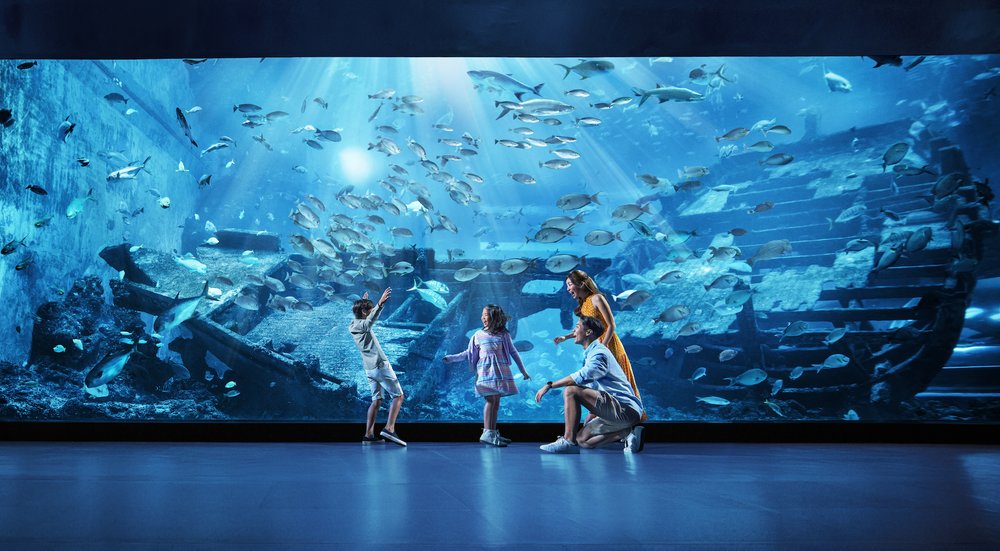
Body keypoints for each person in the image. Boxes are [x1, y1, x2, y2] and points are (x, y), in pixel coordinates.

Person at [536, 315, 645, 454]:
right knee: (582, 440)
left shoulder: (599, 353)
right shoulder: (592, 353)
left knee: (571, 390)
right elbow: (596, 388)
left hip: (625, 409)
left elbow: (585, 375)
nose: (574, 332)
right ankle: (627, 433)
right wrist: (592, 414)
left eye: (577, 327)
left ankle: (567, 441)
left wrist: (550, 385)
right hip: (617, 413)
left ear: (588, 332)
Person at [554, 269, 646, 422]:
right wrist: (566, 337)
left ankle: (631, 422)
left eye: (570, 285)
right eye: (567, 286)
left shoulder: (597, 298)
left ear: (582, 284)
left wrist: (602, 347)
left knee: (620, 384)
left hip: (608, 345)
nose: (568, 289)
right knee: (600, 387)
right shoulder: (583, 305)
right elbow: (583, 328)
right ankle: (605, 425)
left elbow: (611, 325)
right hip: (595, 346)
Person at [444, 304, 530, 447]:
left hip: (500, 373)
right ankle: (487, 433)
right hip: (486, 373)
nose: (482, 317)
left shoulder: (504, 334)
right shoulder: (477, 335)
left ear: (495, 317)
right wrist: (452, 358)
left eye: (486, 315)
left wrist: (523, 371)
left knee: (496, 402)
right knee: (490, 401)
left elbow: (514, 352)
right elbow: (468, 353)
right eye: (482, 314)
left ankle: (492, 432)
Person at [349, 288, 406, 446]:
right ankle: (389, 428)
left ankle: (368, 435)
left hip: (370, 370)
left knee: (377, 401)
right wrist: (380, 304)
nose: (370, 311)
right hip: (380, 366)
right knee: (398, 396)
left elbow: (365, 318)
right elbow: (369, 321)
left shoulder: (353, 324)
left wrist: (363, 302)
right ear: (363, 312)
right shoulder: (363, 325)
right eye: (368, 309)